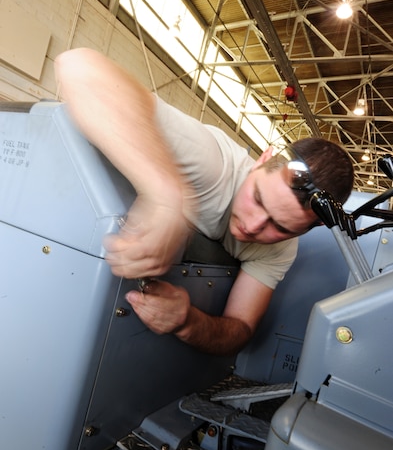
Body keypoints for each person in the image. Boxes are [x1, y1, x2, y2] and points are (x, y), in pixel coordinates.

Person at [55, 48, 354, 356]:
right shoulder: (212, 162)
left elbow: (240, 328)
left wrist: (187, 321)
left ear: (307, 230)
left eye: (279, 226)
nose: (253, 226)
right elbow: (78, 64)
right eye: (258, 198)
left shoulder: (281, 250)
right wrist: (165, 196)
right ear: (261, 160)